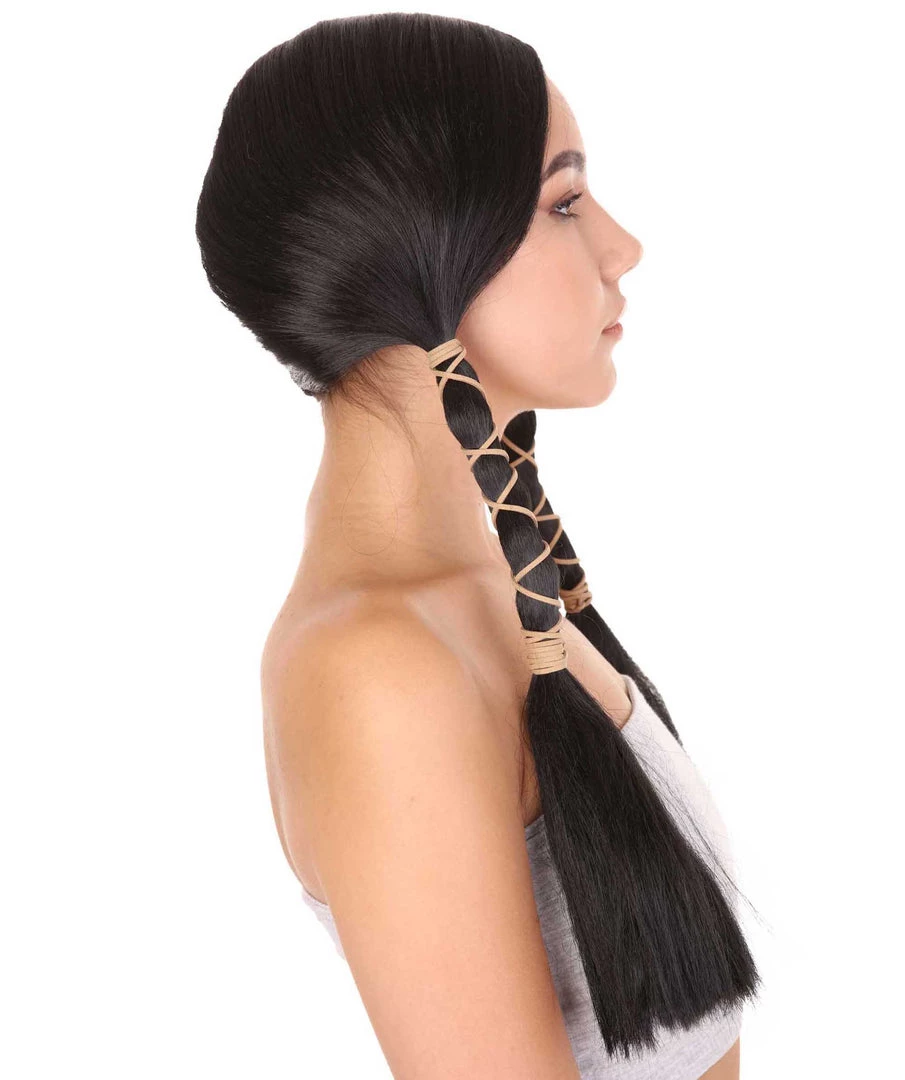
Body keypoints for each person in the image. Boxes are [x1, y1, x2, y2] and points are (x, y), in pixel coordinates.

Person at [195, 14, 760, 1077]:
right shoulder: (380, 670)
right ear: (421, 256)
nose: (621, 247)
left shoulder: (492, 588)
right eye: (562, 203)